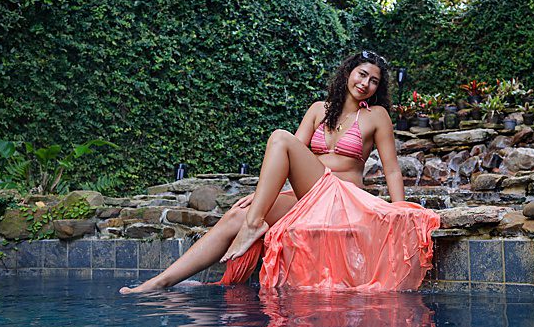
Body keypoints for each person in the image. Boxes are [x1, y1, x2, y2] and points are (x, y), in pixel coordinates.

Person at [122, 50, 439, 293]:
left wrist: (399, 210)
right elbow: (290, 159)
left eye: (374, 81)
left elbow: (392, 170)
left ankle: (254, 224)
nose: (365, 84)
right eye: (362, 74)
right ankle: (161, 282)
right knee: (236, 214)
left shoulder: (377, 115)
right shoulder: (318, 110)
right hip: (309, 195)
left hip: (343, 198)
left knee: (279, 137)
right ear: (348, 73)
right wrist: (263, 199)